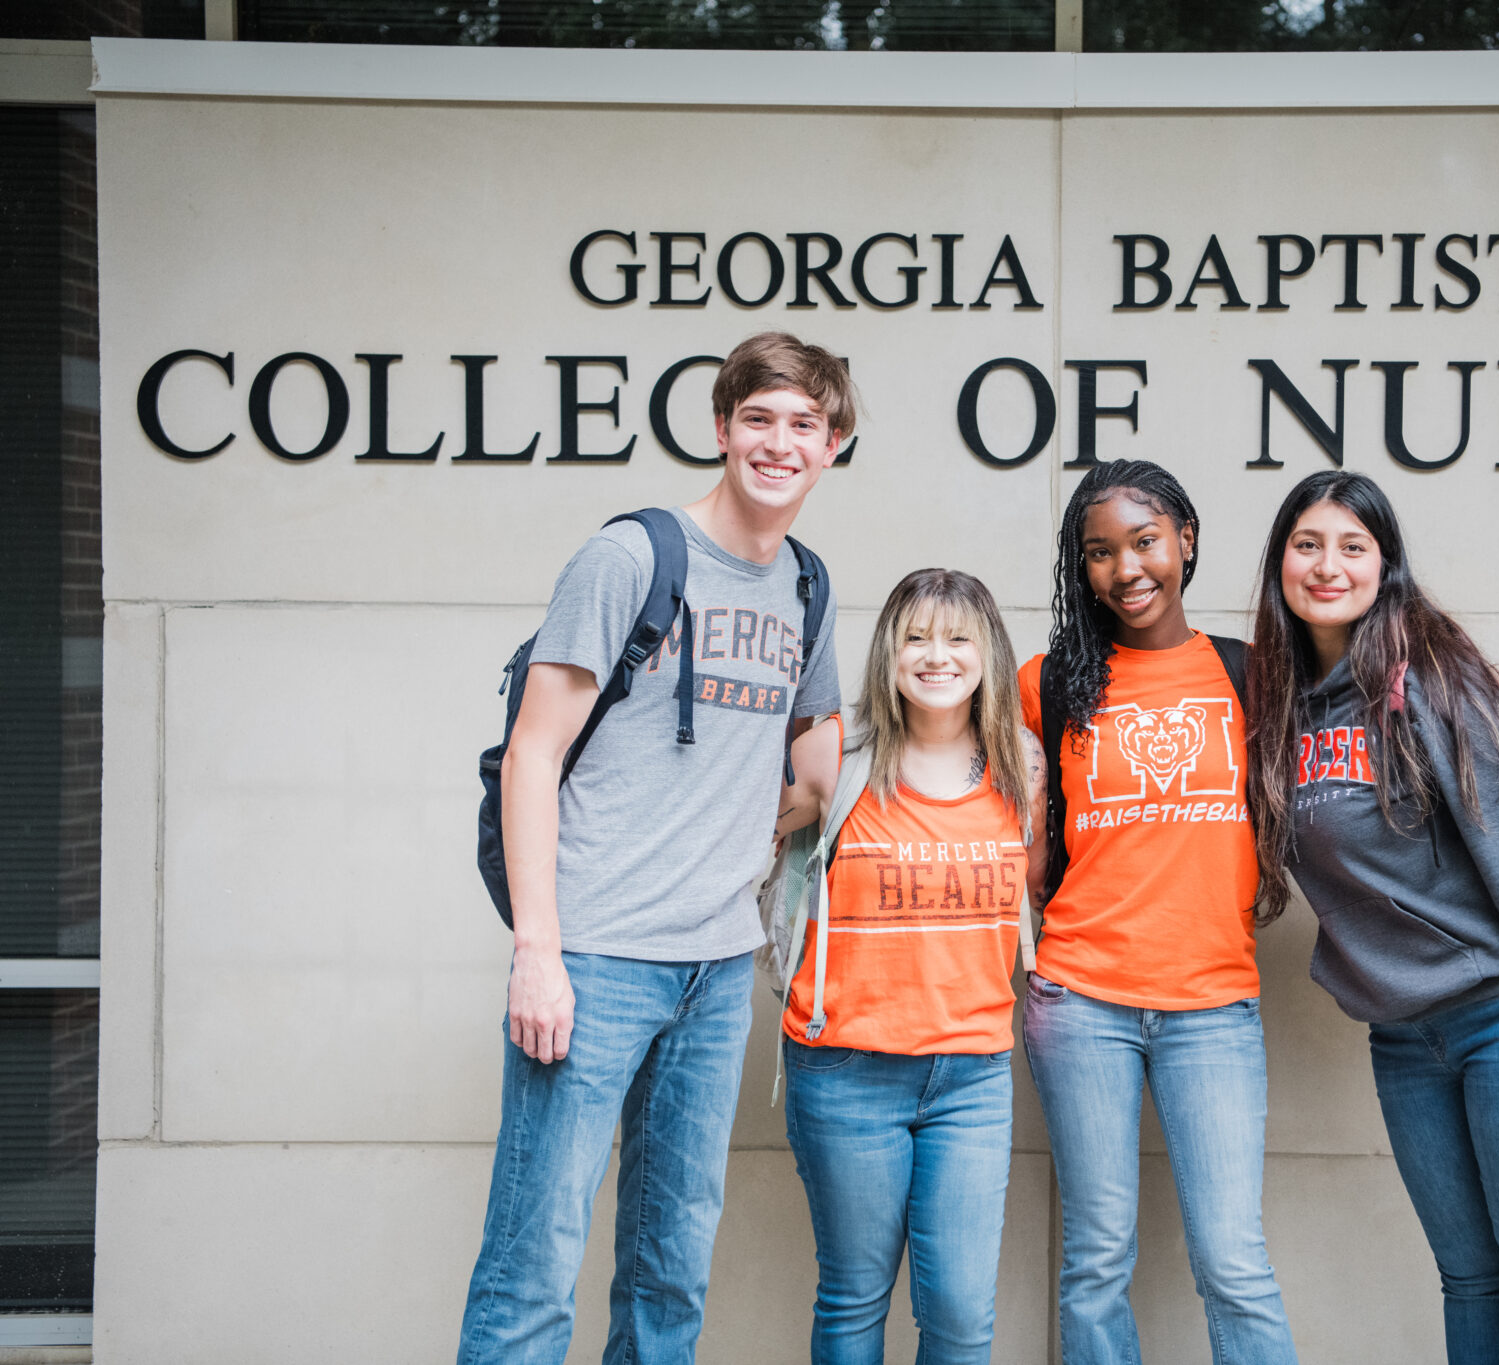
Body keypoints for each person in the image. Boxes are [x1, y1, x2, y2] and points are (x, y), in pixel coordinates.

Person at [456, 332, 853, 1365]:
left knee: (670, 1267)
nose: (779, 442)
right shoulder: (630, 557)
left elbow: (815, 767)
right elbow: (532, 757)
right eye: (758, 419)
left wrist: (773, 810)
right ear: (722, 430)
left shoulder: (807, 588)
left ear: (833, 444)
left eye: (803, 425)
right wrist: (536, 952)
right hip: (593, 955)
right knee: (533, 1264)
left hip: (717, 971)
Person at [1243, 469, 1499, 1365]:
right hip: (1406, 1038)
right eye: (1307, 544)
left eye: (1351, 546)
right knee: (1472, 1278)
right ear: (1280, 564)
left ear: (1386, 566)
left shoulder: (1432, 681)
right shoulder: (1279, 705)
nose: (1327, 565)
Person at [1018, 459, 1298, 1365]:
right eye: (1098, 553)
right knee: (1096, 1260)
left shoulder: (1248, 673)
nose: (1126, 569)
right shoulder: (1048, 682)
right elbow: (938, 753)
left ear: (1185, 538)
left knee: (1234, 1261)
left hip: (1213, 1003)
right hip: (1078, 997)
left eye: (1144, 541)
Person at [775, 567, 1047, 1365]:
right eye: (916, 636)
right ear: (889, 652)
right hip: (845, 1065)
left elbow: (1036, 879)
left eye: (958, 637)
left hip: (971, 1072)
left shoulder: (1019, 764)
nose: (937, 655)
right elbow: (731, 836)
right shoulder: (832, 755)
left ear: (987, 653)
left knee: (962, 1314)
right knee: (855, 1298)